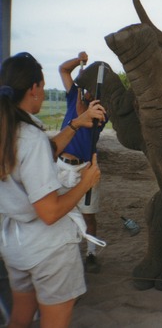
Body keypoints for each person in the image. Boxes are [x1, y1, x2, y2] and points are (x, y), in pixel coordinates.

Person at [0, 52, 106, 327]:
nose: (44, 93)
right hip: (48, 251)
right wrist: (85, 182)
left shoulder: (8, 130)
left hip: (16, 244)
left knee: (20, 317)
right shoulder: (31, 137)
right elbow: (49, 212)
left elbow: (44, 150)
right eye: (43, 87)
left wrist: (74, 124)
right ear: (33, 89)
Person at [58, 51, 108, 273]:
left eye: (90, 90)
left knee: (88, 215)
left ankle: (90, 254)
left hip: (84, 168)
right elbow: (63, 69)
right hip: (61, 165)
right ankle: (64, 254)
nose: (87, 92)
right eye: (85, 88)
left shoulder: (100, 112)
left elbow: (83, 116)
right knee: (60, 211)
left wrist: (81, 92)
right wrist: (79, 62)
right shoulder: (73, 96)